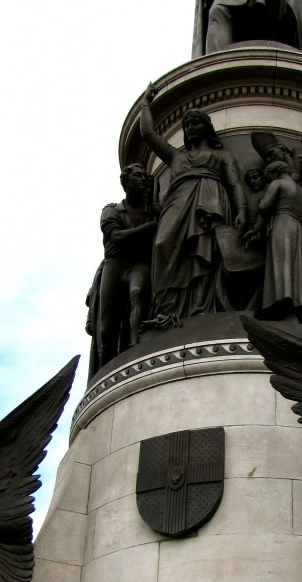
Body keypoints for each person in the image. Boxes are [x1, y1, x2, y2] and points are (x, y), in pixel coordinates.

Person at [140, 84, 247, 327]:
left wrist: (242, 210)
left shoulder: (221, 157)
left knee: (205, 251)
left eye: (195, 123)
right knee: (162, 244)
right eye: (187, 126)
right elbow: (148, 134)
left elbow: (235, 186)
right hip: (178, 203)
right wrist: (146, 104)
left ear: (207, 128)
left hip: (209, 201)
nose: (190, 128)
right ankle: (167, 311)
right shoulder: (176, 157)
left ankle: (202, 307)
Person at [86, 163, 157, 375]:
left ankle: (136, 346)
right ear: (126, 182)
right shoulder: (111, 210)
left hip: (138, 264)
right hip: (115, 265)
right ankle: (105, 373)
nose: (143, 178)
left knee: (138, 293)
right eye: (137, 175)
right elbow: (116, 237)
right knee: (107, 327)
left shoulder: (151, 210)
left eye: (145, 176)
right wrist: (151, 226)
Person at [256, 160, 302, 322]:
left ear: (275, 173)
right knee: (294, 269)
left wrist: (260, 200)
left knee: (280, 265)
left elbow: (265, 207)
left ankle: (280, 304)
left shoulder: (278, 183)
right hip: (298, 230)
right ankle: (294, 309)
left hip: (282, 224)